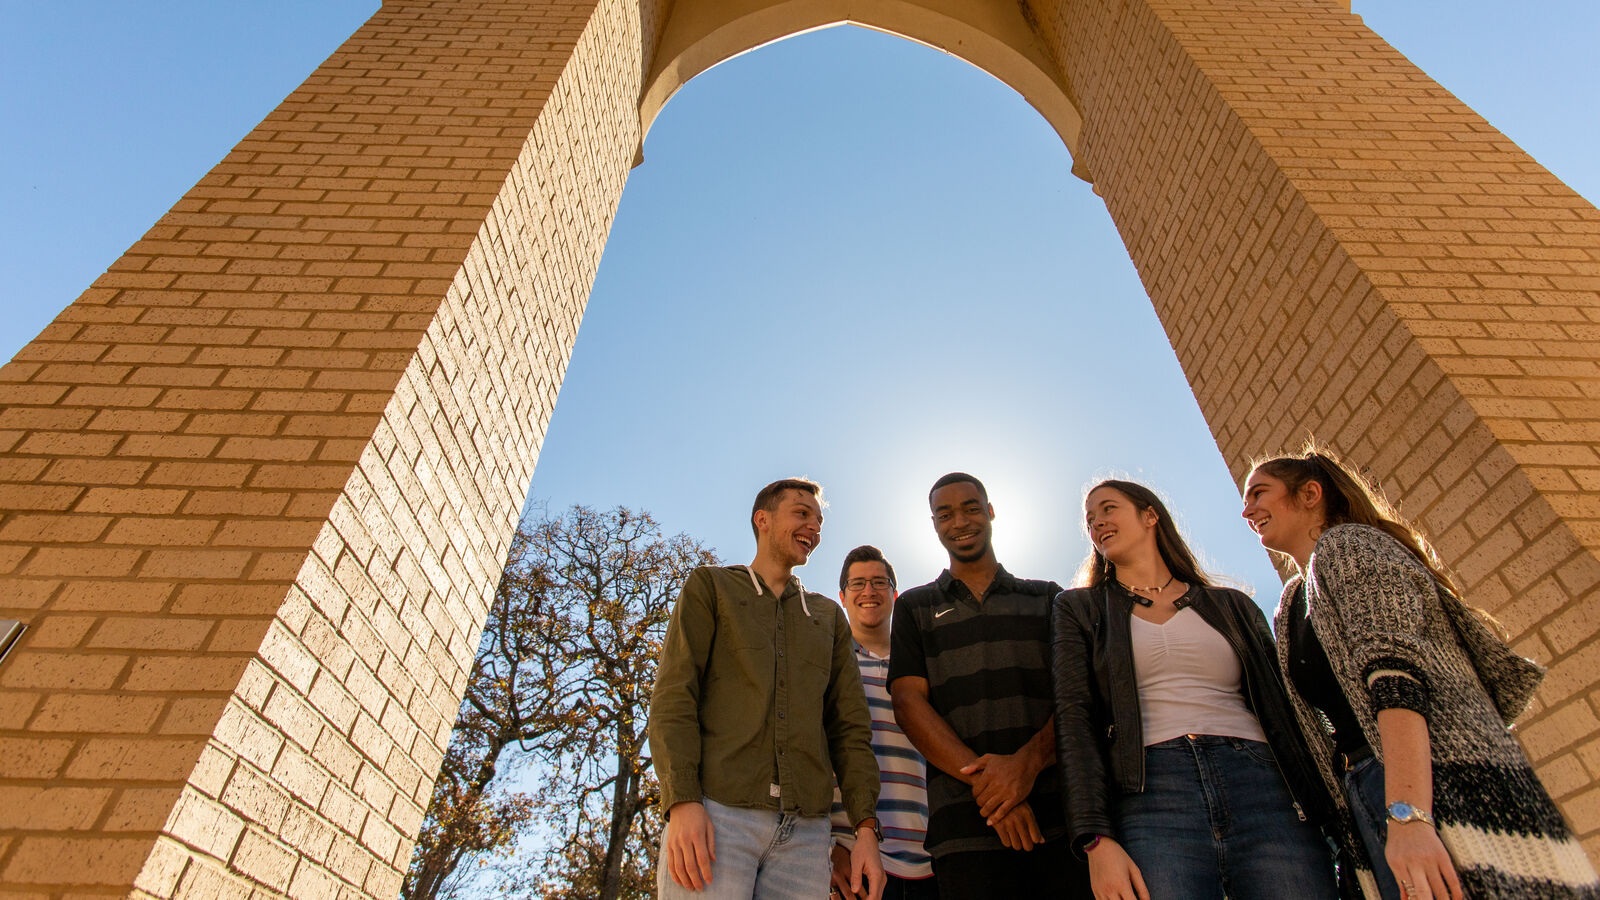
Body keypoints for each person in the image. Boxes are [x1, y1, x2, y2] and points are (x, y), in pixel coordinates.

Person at [1244, 447, 1600, 900]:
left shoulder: (1349, 547)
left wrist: (1410, 814)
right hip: (1368, 789)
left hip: (1433, 787)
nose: (1246, 509)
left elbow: (1397, 680)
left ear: (1310, 493)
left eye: (1259, 493)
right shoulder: (1291, 602)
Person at [1051, 479, 1339, 900]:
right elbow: (1074, 719)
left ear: (1150, 515)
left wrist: (1328, 804)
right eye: (1089, 519)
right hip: (1152, 797)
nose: (1097, 523)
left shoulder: (1232, 605)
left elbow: (1287, 706)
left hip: (1264, 787)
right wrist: (1094, 837)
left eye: (1108, 509)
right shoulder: (1079, 609)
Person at [649, 478, 887, 899]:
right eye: (801, 513)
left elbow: (849, 729)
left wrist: (865, 829)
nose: (814, 527)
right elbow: (674, 697)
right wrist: (683, 801)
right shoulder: (710, 588)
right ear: (763, 519)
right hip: (717, 816)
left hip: (807, 836)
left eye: (819, 520)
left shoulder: (828, 617)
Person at [888, 472, 1090, 898]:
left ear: (991, 511)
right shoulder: (913, 606)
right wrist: (995, 790)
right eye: (945, 514)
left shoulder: (1048, 598)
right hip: (963, 832)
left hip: (1059, 823)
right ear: (934, 525)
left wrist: (1025, 767)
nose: (959, 521)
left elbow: (1076, 698)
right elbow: (908, 704)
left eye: (970, 508)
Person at [828, 545, 937, 900]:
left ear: (895, 593)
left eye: (879, 582)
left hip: (928, 859)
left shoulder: (922, 668)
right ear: (843, 597)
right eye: (857, 584)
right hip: (853, 859)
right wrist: (828, 845)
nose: (869, 591)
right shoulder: (827, 668)